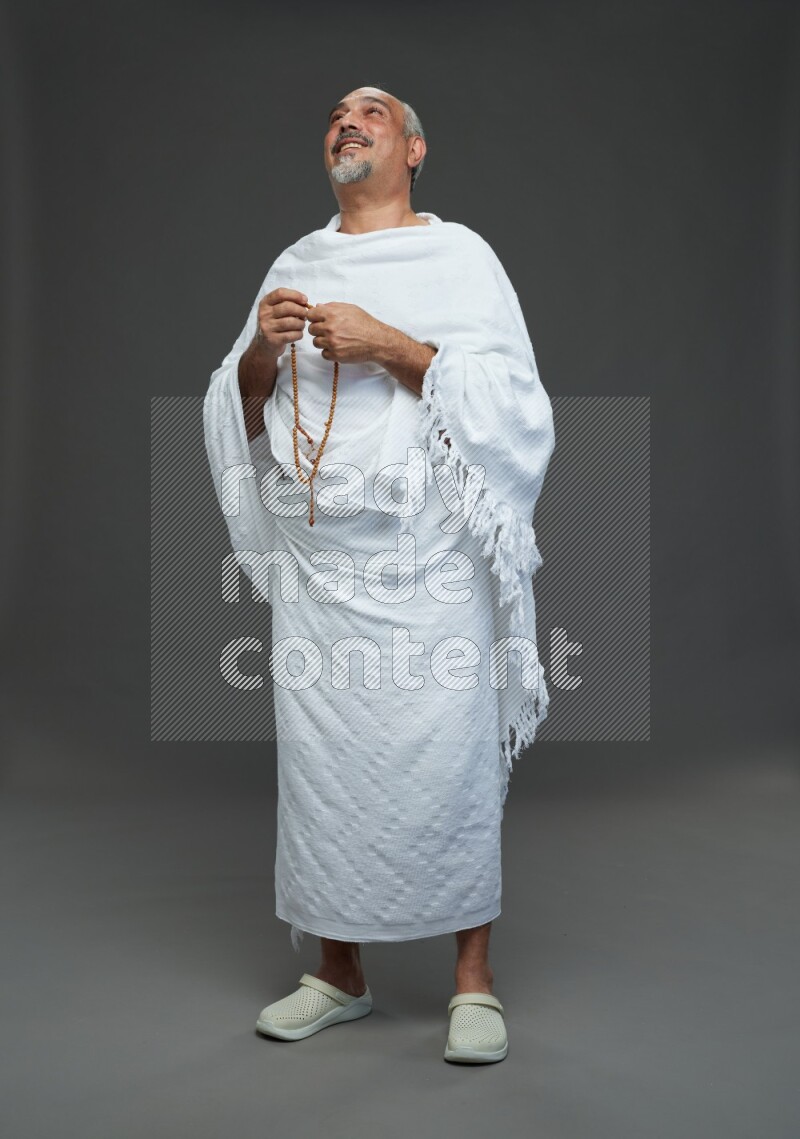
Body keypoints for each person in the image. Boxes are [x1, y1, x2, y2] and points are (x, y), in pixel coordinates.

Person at [203, 85, 556, 1064]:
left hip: (428, 556)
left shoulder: (461, 258)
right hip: (324, 563)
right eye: (333, 114)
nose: (345, 122)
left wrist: (389, 346)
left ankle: (471, 979)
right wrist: (260, 360)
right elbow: (236, 406)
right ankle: (339, 971)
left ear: (413, 148)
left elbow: (515, 406)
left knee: (448, 754)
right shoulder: (293, 264)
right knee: (327, 768)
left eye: (371, 112)